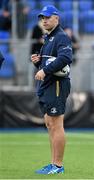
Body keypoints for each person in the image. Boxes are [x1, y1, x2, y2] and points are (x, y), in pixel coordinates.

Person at [31, 5, 72, 174]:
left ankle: (58, 166)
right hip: (48, 85)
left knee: (56, 124)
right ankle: (53, 163)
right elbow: (48, 62)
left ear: (57, 18)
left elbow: (66, 57)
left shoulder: (61, 36)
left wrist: (44, 69)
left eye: (48, 17)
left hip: (57, 85)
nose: (44, 20)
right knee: (50, 124)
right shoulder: (48, 38)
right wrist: (37, 62)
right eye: (42, 18)